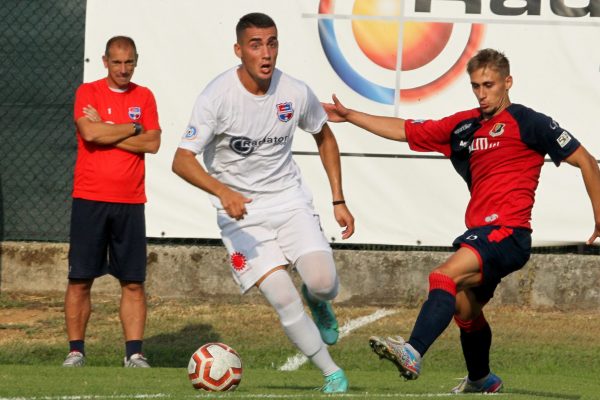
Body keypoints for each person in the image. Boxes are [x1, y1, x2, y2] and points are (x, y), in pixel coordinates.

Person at [323, 48, 600, 393]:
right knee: (465, 310)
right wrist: (350, 116)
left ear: (507, 82)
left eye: (489, 85)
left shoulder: (530, 122)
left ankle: (412, 351)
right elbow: (404, 130)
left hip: (508, 232)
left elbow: (587, 161)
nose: (482, 94)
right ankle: (482, 378)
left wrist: (599, 217)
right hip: (484, 233)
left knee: (443, 277)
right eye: (475, 86)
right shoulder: (463, 126)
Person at [172, 12, 355, 393]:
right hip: (241, 217)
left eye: (271, 43)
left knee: (322, 283)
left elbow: (324, 137)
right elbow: (181, 160)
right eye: (256, 45)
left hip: (289, 201)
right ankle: (331, 373)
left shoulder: (295, 92)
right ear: (239, 50)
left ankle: (317, 299)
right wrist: (223, 192)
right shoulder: (216, 97)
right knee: (281, 295)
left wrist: (338, 199)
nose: (266, 52)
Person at [63, 36, 161, 368]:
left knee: (133, 281)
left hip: (130, 201)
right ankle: (76, 351)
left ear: (136, 61)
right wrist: (133, 129)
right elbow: (89, 135)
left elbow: (153, 143)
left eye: (129, 62)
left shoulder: (144, 96)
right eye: (116, 62)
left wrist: (109, 128)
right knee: (80, 279)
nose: (123, 69)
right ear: (105, 61)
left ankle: (134, 353)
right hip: (90, 199)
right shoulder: (87, 92)